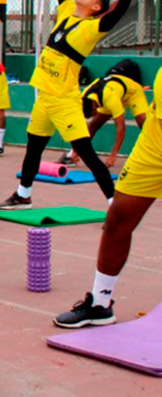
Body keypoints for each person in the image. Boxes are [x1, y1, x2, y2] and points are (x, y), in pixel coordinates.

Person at [0, 0, 158, 211]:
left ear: (97, 7)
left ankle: (113, 202)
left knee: (86, 153)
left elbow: (116, 14)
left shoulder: (90, 28)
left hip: (64, 99)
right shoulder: (66, 13)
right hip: (45, 98)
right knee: (33, 148)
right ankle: (23, 195)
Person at [54, 66, 162, 328]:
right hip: (154, 140)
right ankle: (101, 304)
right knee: (118, 218)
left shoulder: (113, 95)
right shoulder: (98, 95)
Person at [57, 72, 148, 168]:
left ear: (94, 108)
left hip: (132, 94)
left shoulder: (110, 99)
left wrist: (113, 155)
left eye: (90, 115)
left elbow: (121, 127)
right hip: (108, 94)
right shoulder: (84, 97)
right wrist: (76, 149)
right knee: (93, 124)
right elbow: (80, 126)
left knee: (143, 121)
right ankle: (72, 154)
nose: (91, 117)